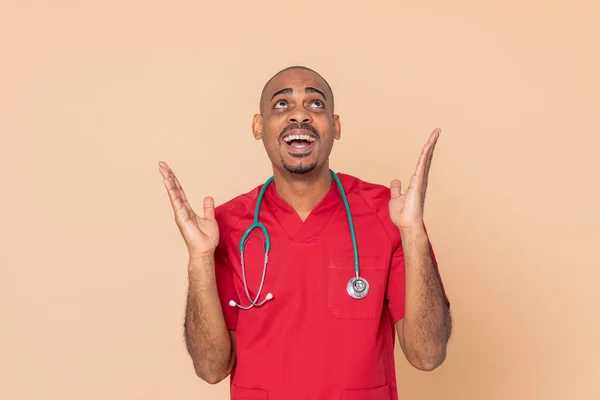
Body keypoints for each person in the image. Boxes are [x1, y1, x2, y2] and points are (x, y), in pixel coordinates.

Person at [158, 66, 452, 400]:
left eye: (315, 104)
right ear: (259, 126)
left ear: (336, 126)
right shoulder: (227, 226)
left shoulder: (389, 214)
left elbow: (427, 355)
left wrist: (413, 233)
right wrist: (199, 260)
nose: (300, 115)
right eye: (282, 105)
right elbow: (211, 368)